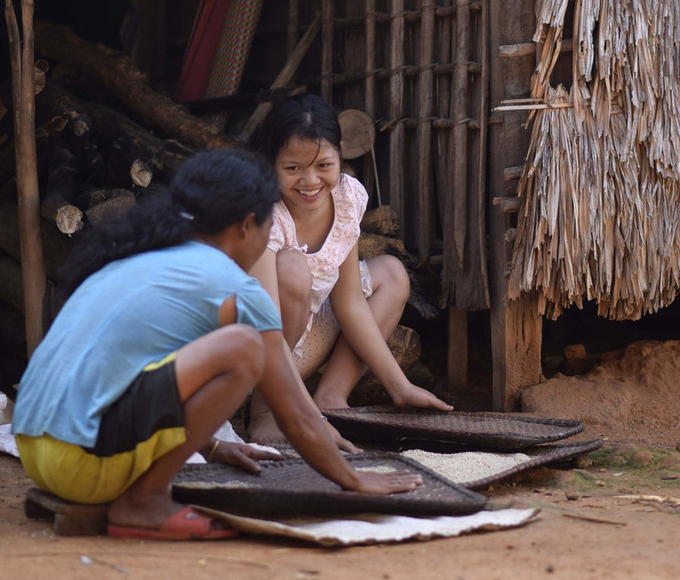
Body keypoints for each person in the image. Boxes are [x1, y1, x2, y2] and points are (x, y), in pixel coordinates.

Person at [11, 150, 422, 541]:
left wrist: (209, 444)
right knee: (243, 347)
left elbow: (125, 373)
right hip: (84, 467)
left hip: (38, 452)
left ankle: (143, 489)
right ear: (248, 225)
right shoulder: (235, 287)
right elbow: (296, 414)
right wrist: (351, 479)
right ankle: (144, 502)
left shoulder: (137, 260)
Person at [245, 94, 452, 443]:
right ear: (271, 164)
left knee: (392, 274)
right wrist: (306, 421)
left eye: (323, 165)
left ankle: (331, 398)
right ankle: (267, 413)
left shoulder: (346, 197)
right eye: (293, 168)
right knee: (293, 270)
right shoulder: (264, 215)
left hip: (305, 343)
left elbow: (350, 302)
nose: (310, 181)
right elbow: (264, 327)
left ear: (340, 151)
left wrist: (399, 386)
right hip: (252, 357)